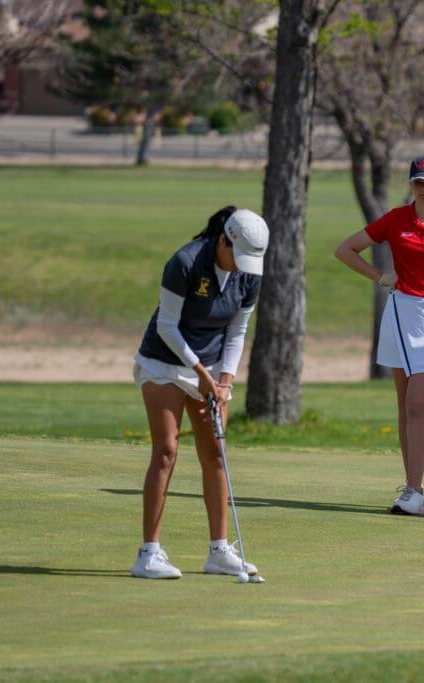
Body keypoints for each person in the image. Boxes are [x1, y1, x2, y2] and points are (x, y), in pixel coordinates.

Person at [130, 206, 269, 579]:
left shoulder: (249, 275)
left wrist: (225, 380)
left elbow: (237, 332)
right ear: (224, 239)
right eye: (235, 256)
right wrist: (201, 373)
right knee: (167, 451)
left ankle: (219, 551)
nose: (240, 266)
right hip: (164, 362)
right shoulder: (186, 262)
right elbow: (167, 326)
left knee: (215, 453)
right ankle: (149, 554)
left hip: (209, 370)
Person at [335, 153, 424, 516]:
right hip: (400, 313)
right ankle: (412, 488)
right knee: (404, 406)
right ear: (411, 185)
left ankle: (414, 490)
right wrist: (382, 278)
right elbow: (345, 250)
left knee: (418, 404)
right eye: (418, 183)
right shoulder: (397, 219)